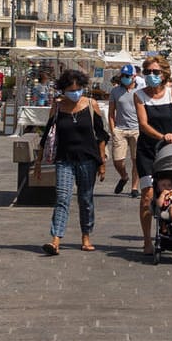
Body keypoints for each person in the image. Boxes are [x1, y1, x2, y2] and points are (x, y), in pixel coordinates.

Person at [43, 70, 109, 256]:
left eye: (78, 89)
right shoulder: (57, 107)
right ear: (63, 90)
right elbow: (47, 133)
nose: (75, 93)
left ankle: (86, 236)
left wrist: (102, 162)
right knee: (62, 198)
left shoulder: (91, 104)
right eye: (70, 90)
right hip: (64, 159)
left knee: (85, 199)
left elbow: (101, 135)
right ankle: (56, 239)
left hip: (88, 160)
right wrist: (39, 161)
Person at [133, 56, 172, 255]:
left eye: (155, 72)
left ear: (164, 74)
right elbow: (143, 124)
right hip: (148, 150)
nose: (151, 76)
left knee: (170, 191)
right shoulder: (139, 95)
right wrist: (161, 136)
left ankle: (169, 228)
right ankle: (147, 240)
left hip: (169, 151)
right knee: (147, 194)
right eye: (147, 72)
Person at [107, 66, 140, 195]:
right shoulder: (115, 91)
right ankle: (124, 176)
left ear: (134, 76)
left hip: (137, 129)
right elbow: (111, 113)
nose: (125, 78)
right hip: (120, 129)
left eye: (128, 76)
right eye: (123, 76)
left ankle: (134, 188)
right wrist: (113, 129)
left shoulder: (140, 90)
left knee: (136, 159)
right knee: (117, 160)